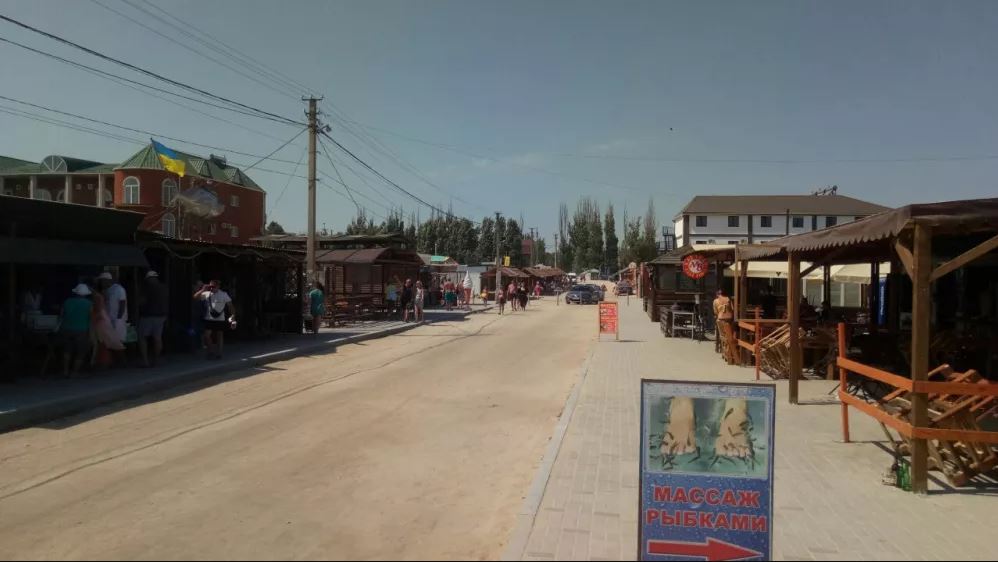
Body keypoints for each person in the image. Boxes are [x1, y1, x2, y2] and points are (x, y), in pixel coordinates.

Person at [195, 280, 234, 359]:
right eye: (210, 286)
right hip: (209, 318)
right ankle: (211, 351)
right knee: (206, 336)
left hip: (220, 318)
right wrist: (202, 289)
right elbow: (195, 297)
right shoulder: (207, 293)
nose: (212, 288)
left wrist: (233, 316)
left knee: (219, 335)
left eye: (213, 286)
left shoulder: (223, 294)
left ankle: (219, 353)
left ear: (218, 286)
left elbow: (230, 306)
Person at [59, 283, 93, 377]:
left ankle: (65, 371)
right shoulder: (89, 304)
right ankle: (75, 372)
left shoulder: (67, 301)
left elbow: (61, 315)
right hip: (81, 330)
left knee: (67, 350)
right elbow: (90, 319)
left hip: (66, 329)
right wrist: (91, 334)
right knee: (80, 352)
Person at [90, 279, 124, 368]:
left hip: (101, 320)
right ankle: (109, 361)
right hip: (103, 319)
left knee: (104, 341)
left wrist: (93, 320)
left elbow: (98, 310)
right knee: (107, 341)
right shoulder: (101, 295)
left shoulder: (97, 297)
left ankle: (106, 361)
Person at [138, 271, 168, 367]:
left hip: (148, 315)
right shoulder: (164, 287)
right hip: (161, 316)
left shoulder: (147, 288)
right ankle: (156, 359)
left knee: (142, 337)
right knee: (157, 338)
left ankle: (145, 361)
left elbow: (142, 301)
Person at [98, 271, 128, 365]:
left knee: (117, 341)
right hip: (109, 319)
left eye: (102, 281)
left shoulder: (119, 289)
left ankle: (123, 362)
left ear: (107, 280)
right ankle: (113, 361)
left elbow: (122, 304)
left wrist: (118, 319)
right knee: (110, 340)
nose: (101, 283)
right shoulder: (106, 290)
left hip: (117, 320)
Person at [713, 288, 739, 365]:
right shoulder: (728, 299)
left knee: (724, 337)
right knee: (730, 336)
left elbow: (715, 312)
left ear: (718, 294)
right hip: (729, 320)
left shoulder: (715, 301)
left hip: (720, 320)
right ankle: (730, 354)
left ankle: (727, 354)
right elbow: (732, 310)